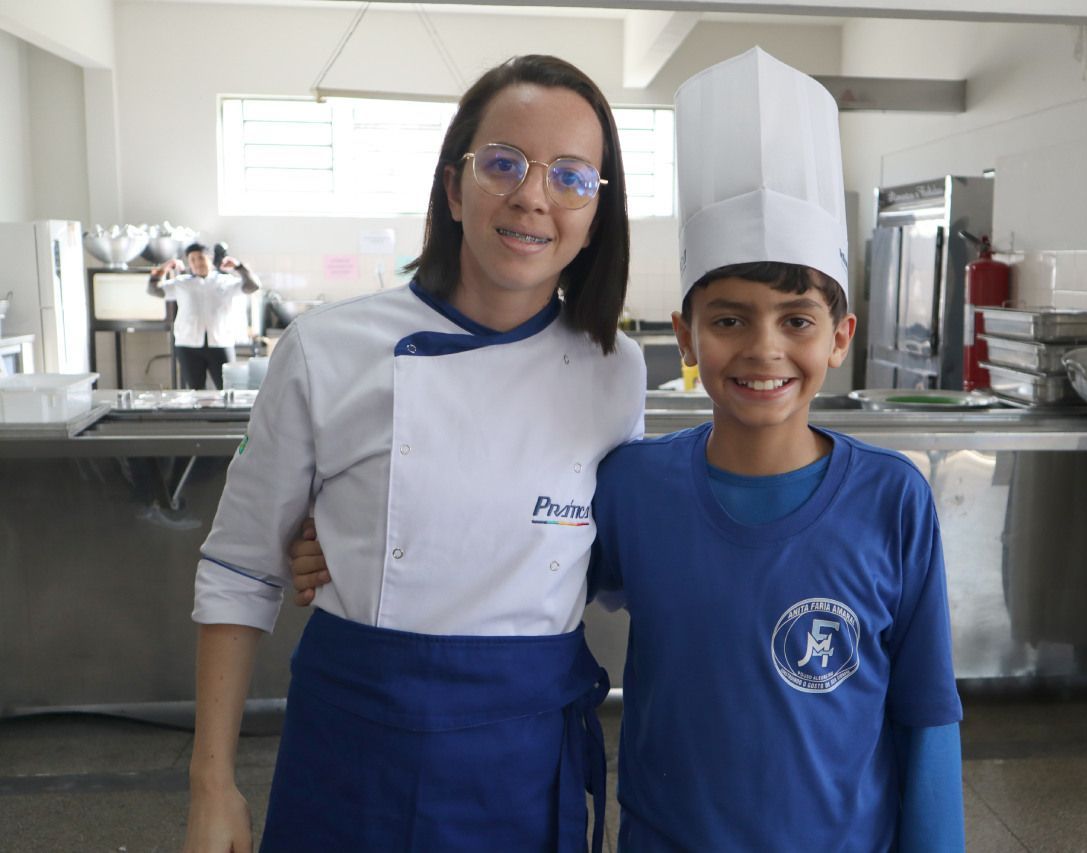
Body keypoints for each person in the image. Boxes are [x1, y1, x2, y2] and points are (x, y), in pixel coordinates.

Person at [290, 49, 964, 851]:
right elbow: (513, 542)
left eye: (797, 319)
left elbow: (926, 716)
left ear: (841, 336)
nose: (764, 350)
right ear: (684, 336)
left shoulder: (891, 500)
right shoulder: (638, 488)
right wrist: (346, 535)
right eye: (728, 319)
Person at [185, 54, 644, 853]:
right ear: (452, 185)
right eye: (504, 163)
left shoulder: (616, 369)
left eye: (572, 178)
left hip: (526, 759)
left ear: (597, 212)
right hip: (357, 742)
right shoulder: (328, 347)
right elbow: (239, 567)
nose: (534, 196)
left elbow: (599, 557)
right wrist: (211, 785)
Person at [148, 242, 262, 390]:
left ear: (210, 258)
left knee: (228, 388)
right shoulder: (182, 284)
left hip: (220, 343)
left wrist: (238, 266)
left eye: (200, 258)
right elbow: (154, 290)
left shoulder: (225, 281)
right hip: (187, 345)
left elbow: (253, 286)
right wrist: (165, 267)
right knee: (196, 391)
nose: (197, 263)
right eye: (192, 259)